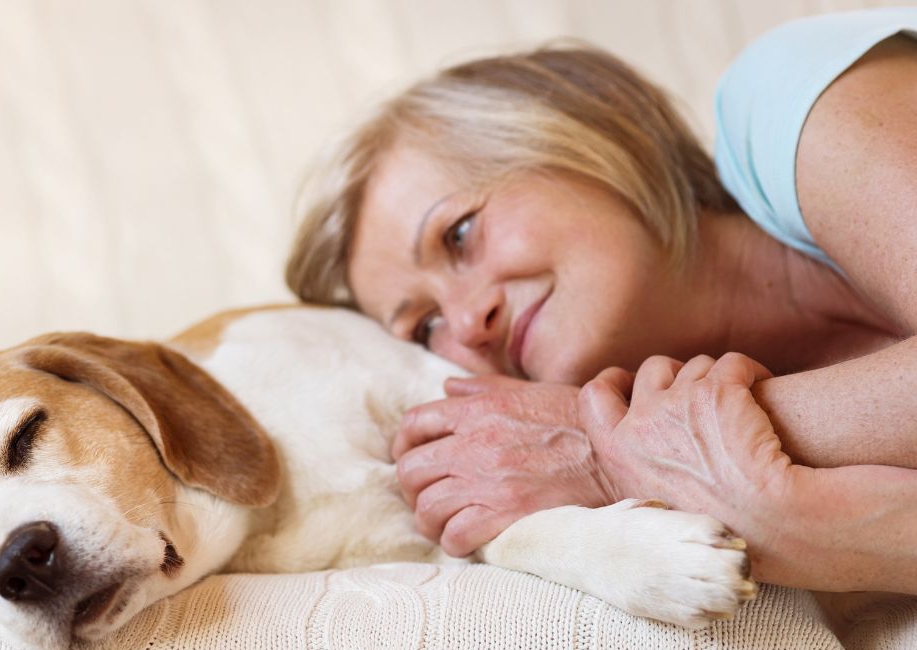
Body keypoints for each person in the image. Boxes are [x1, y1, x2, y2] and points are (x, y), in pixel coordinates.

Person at [285, 8, 917, 594]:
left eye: (460, 234)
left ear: (580, 129)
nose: (467, 322)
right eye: (425, 327)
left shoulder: (789, 95)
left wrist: (609, 450)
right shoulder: (725, 492)